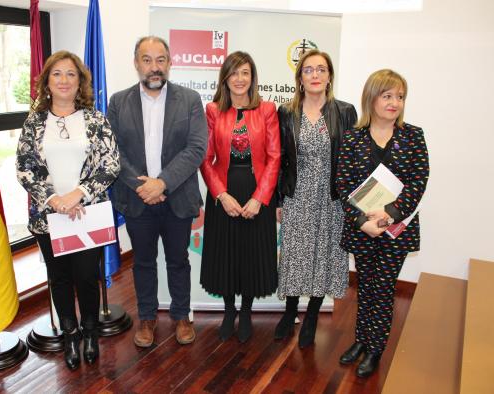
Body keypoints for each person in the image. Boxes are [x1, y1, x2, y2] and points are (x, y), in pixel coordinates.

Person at [16, 50, 120, 370]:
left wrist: (79, 195)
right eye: (57, 74)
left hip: (86, 214)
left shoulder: (94, 119)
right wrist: (54, 200)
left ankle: (89, 331)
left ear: (80, 82)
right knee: (59, 278)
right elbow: (25, 168)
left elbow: (111, 164)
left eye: (71, 74)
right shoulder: (34, 122)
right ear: (47, 81)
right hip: (49, 218)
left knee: (87, 277)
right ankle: (70, 334)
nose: (64, 80)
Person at [107, 36, 207, 348]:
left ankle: (180, 315)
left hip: (177, 197)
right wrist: (144, 187)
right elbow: (113, 152)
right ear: (136, 63)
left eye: (160, 59)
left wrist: (161, 183)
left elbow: (196, 149)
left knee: (178, 260)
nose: (154, 67)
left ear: (169, 63)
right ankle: (147, 317)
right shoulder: (118, 101)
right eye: (147, 59)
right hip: (138, 201)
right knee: (143, 262)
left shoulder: (189, 100)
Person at [336, 69, 429, 377]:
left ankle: (375, 348)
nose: (394, 103)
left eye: (400, 97)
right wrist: (362, 221)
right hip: (362, 229)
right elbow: (343, 184)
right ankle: (361, 341)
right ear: (371, 98)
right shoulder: (352, 138)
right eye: (387, 96)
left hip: (395, 230)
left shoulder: (413, 136)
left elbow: (418, 182)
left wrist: (389, 213)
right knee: (365, 287)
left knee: (383, 288)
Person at [275, 49, 357, 348]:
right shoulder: (286, 112)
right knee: (295, 257)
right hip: (297, 195)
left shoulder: (344, 111)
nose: (315, 75)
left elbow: (350, 159)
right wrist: (278, 200)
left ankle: (311, 316)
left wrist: (352, 202)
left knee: (324, 256)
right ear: (300, 78)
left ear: (329, 76)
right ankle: (289, 312)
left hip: (331, 198)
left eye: (321, 69)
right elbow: (279, 159)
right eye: (308, 70)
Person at [200, 51, 281, 343]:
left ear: (252, 78)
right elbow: (205, 158)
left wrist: (260, 198)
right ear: (225, 77)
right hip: (224, 192)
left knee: (250, 255)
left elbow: (274, 157)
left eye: (245, 72)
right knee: (225, 255)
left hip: (256, 191)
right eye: (234, 73)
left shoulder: (267, 109)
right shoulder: (212, 110)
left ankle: (246, 311)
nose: (239, 78)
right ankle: (229, 310)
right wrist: (221, 194)